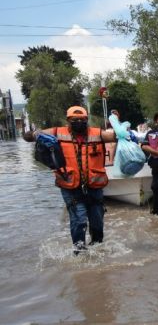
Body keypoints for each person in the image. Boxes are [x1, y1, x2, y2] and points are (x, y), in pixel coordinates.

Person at [26, 106, 117, 255]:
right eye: (75, 120)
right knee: (79, 220)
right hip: (70, 186)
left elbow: (114, 137)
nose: (79, 122)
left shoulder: (97, 133)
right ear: (68, 120)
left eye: (83, 120)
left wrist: (121, 133)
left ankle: (98, 252)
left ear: (87, 120)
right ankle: (79, 253)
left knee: (97, 223)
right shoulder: (57, 133)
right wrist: (35, 134)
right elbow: (27, 137)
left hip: (94, 186)